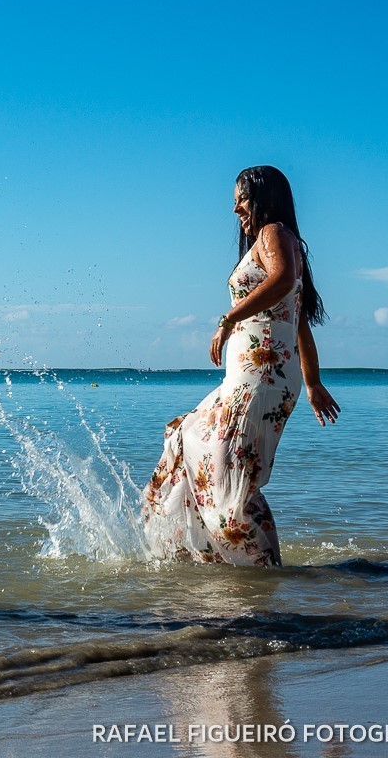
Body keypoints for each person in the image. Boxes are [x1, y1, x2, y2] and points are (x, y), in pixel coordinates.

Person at [141, 166, 339, 567]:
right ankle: (212, 559)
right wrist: (313, 382)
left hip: (260, 378)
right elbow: (298, 323)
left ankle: (264, 571)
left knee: (232, 477)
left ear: (263, 199)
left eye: (242, 200)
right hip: (257, 378)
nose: (236, 210)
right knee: (189, 438)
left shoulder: (274, 234)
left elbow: (283, 282)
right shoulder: (278, 241)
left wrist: (228, 320)